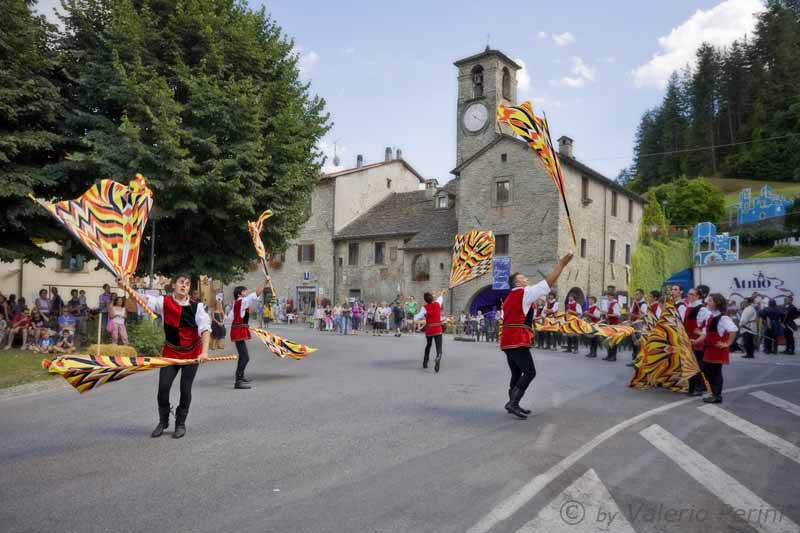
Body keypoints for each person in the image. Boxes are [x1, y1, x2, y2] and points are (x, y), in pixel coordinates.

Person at [500, 253, 573, 419]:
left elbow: (515, 317)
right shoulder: (524, 292)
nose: (526, 279)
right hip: (518, 339)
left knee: (516, 373)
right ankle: (513, 403)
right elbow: (548, 283)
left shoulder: (509, 297)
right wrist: (561, 264)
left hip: (507, 340)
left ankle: (514, 403)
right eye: (523, 277)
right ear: (517, 282)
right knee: (530, 372)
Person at [143, 274, 211, 438]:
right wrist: (126, 287)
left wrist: (204, 352)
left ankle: (180, 423)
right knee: (163, 388)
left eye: (187, 284)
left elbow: (205, 329)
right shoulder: (163, 301)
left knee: (185, 389)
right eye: (181, 282)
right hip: (171, 353)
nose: (184, 285)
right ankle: (163, 421)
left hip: (191, 354)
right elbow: (143, 300)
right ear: (173, 285)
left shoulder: (197, 307)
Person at [695, 293, 738, 403]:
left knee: (715, 373)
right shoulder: (711, 317)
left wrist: (727, 343)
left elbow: (733, 329)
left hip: (716, 350)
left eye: (710, 301)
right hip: (709, 350)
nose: (707, 303)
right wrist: (696, 340)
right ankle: (714, 393)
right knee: (707, 370)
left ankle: (717, 395)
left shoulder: (723, 318)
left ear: (716, 303)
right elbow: (705, 333)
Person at [229, 284, 264, 389]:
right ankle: (238, 381)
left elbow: (231, 316)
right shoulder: (242, 301)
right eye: (245, 291)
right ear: (240, 293)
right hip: (238, 332)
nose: (246, 292)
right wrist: (265, 282)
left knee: (243, 356)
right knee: (245, 357)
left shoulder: (237, 303)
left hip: (237, 331)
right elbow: (256, 294)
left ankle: (241, 377)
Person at [685, 287, 711, 396]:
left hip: (697, 341)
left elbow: (707, 325)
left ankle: (699, 388)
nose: (688, 295)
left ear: (697, 296)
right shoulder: (690, 306)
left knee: (697, 365)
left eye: (691, 294)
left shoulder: (702, 309)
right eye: (688, 293)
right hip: (689, 339)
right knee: (692, 364)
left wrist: (699, 335)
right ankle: (694, 387)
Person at [414, 290, 446, 372]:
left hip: (429, 330)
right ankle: (438, 356)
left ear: (425, 300)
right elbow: (440, 297)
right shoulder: (438, 304)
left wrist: (416, 318)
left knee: (428, 345)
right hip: (438, 329)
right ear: (432, 298)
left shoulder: (424, 308)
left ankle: (425, 361)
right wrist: (441, 293)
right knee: (439, 347)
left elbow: (416, 318)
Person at [602, 290, 622, 362]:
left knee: (613, 340)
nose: (608, 297)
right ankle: (609, 355)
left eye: (609, 296)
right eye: (607, 296)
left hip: (615, 324)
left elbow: (617, 314)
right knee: (608, 339)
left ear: (612, 296)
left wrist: (608, 314)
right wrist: (606, 314)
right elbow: (609, 313)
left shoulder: (615, 303)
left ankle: (613, 356)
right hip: (609, 323)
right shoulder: (609, 303)